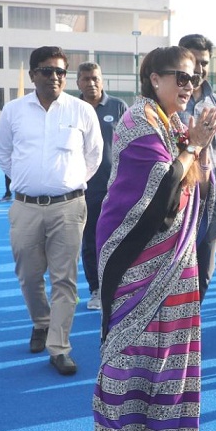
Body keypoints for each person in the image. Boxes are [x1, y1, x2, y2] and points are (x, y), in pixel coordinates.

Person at [92, 46, 216, 431]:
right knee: (126, 351)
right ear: (154, 79)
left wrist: (200, 147)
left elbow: (196, 184)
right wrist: (195, 145)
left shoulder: (174, 125)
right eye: (180, 77)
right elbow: (164, 190)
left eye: (194, 79)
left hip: (177, 255)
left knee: (169, 349)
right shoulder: (139, 121)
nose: (189, 86)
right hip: (135, 253)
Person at [0, 46, 103, 376]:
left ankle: (59, 347)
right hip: (25, 207)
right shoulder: (13, 111)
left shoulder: (82, 111)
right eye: (46, 70)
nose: (54, 76)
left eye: (60, 71)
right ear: (33, 75)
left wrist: (66, 184)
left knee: (64, 279)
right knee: (28, 276)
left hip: (68, 207)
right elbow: (4, 155)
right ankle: (41, 322)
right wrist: (31, 182)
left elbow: (94, 156)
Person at [178, 34, 216, 299]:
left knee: (203, 273)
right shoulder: (170, 99)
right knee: (176, 271)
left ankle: (193, 320)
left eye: (204, 63)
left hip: (209, 200)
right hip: (176, 197)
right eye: (194, 61)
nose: (200, 69)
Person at [76, 62, 127, 310]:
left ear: (102, 81)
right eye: (86, 79)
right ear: (78, 83)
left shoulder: (118, 107)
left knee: (119, 238)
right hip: (86, 187)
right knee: (90, 241)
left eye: (95, 78)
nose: (91, 83)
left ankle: (118, 286)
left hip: (118, 186)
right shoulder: (72, 108)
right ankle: (96, 289)